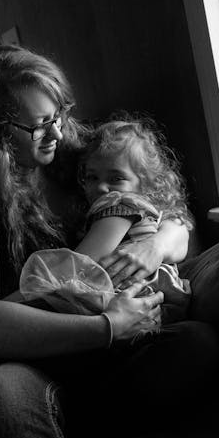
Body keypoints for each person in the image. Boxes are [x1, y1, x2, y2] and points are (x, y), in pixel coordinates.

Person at [0, 45, 219, 438]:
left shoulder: (83, 160)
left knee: (199, 342)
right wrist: (105, 328)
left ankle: (80, 433)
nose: (57, 132)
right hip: (43, 358)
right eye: (39, 125)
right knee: (0, 393)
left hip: (116, 360)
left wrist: (155, 246)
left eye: (58, 113)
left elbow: (173, 213)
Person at [19, 116, 192, 327]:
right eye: (92, 177)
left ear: (146, 183)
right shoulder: (146, 212)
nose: (101, 187)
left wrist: (17, 300)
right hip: (157, 306)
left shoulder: (118, 205)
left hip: (129, 301)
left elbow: (84, 261)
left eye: (116, 178)